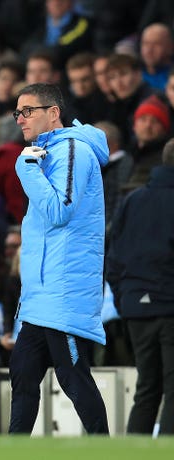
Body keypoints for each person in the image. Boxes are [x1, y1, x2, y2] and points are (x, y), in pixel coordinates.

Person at [9, 83, 109, 435]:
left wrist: (26, 170)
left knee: (73, 378)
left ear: (54, 113)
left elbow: (59, 210)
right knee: (22, 377)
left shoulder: (73, 150)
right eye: (17, 112)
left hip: (64, 293)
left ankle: (106, 451)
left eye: (28, 111)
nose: (20, 118)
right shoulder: (43, 151)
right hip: (41, 294)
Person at [106, 138, 174, 435]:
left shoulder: (133, 200)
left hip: (137, 309)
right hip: (170, 307)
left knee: (147, 390)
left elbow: (114, 258)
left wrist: (126, 302)